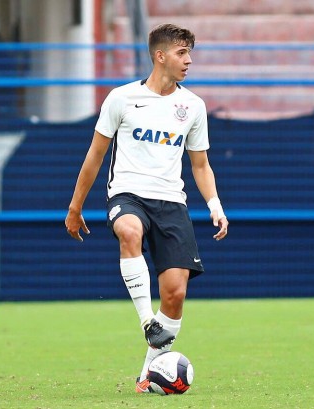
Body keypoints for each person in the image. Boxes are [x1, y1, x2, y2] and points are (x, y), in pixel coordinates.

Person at [65, 23, 228, 393]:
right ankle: (145, 321)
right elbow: (95, 155)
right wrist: (75, 207)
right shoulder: (121, 99)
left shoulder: (193, 107)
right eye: (181, 53)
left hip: (172, 202)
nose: (188, 61)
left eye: (189, 53)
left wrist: (215, 206)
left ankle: (149, 372)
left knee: (175, 294)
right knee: (129, 231)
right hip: (127, 194)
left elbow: (200, 165)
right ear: (160, 56)